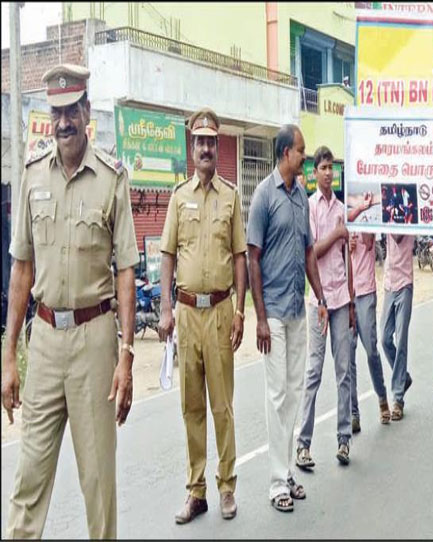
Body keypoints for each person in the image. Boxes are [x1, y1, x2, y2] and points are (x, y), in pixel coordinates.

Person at [2, 64, 138, 539]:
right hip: (43, 344)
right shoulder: (32, 175)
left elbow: (125, 270)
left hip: (94, 343)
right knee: (29, 481)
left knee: (98, 481)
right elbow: (21, 267)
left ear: (86, 113)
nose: (63, 122)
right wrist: (8, 356)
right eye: (56, 112)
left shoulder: (112, 178)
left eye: (71, 111)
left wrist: (126, 355)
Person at [159, 108, 248, 524]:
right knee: (190, 406)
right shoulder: (179, 197)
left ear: (218, 146)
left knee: (222, 406)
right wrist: (164, 309)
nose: (207, 148)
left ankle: (227, 485)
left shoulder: (230, 196)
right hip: (186, 314)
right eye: (200, 141)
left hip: (220, 312)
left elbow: (241, 256)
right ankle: (196, 492)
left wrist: (241, 310)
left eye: (212, 141)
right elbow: (167, 256)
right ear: (191, 147)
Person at [246, 124, 329, 513]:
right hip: (274, 314)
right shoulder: (265, 196)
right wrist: (260, 318)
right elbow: (252, 259)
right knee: (276, 393)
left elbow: (310, 252)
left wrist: (322, 297)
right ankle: (277, 481)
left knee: (293, 390)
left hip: (298, 308)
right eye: (300, 151)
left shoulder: (301, 198)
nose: (305, 157)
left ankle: (286, 471)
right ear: (284, 154)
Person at [296, 146, 356, 470]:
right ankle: (303, 444)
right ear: (314, 173)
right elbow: (312, 252)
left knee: (344, 372)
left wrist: (352, 301)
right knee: (313, 372)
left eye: (332, 167)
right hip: (318, 301)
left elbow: (348, 259)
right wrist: (336, 233)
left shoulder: (342, 208)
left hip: (341, 300)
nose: (329, 173)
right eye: (323, 167)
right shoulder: (310, 209)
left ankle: (344, 439)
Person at [348, 195, 391, 431]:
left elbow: (367, 239)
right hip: (347, 293)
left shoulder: (368, 219)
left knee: (371, 351)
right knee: (349, 355)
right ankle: (354, 413)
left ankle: (382, 397)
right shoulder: (344, 213)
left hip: (365, 291)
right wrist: (346, 244)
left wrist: (364, 210)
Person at [381, 233, 415, 420]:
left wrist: (388, 218)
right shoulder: (387, 212)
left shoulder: (408, 215)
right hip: (389, 281)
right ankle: (403, 377)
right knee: (385, 339)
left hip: (405, 282)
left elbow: (398, 236)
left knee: (401, 340)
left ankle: (398, 399)